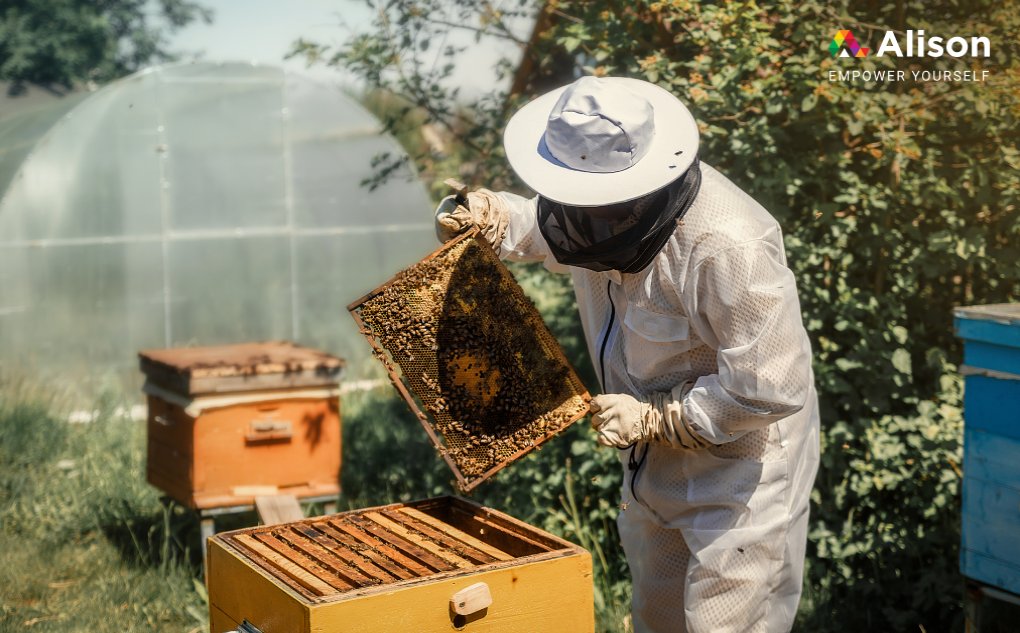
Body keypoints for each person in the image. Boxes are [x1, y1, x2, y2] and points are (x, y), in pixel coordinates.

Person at [434, 75, 820, 633]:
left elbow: (769, 385)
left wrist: (659, 417)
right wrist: (491, 217)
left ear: (638, 187)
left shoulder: (727, 244)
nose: (572, 216)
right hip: (649, 466)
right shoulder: (588, 207)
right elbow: (544, 228)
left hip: (742, 476)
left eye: (591, 206)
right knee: (655, 621)